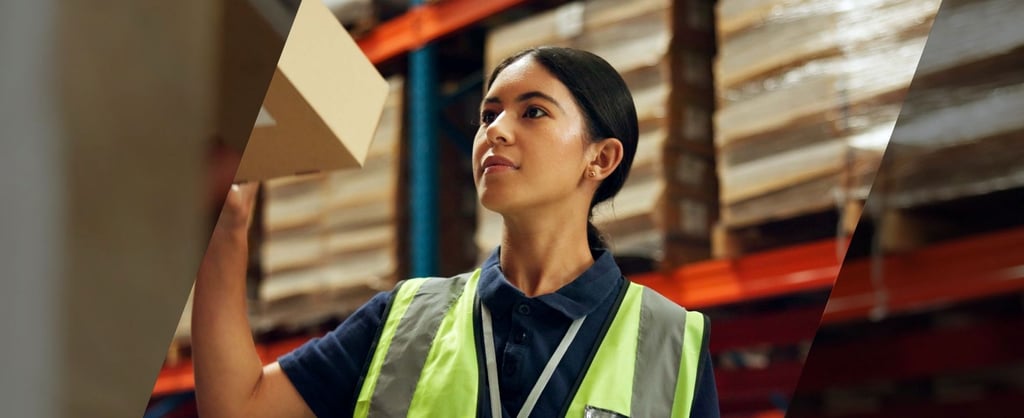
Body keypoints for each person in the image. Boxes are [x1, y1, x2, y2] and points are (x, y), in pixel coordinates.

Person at [192, 46, 719, 418]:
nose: (495, 131)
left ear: (599, 158)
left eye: (532, 111)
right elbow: (240, 406)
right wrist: (228, 236)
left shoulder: (672, 345)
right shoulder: (404, 320)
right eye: (488, 114)